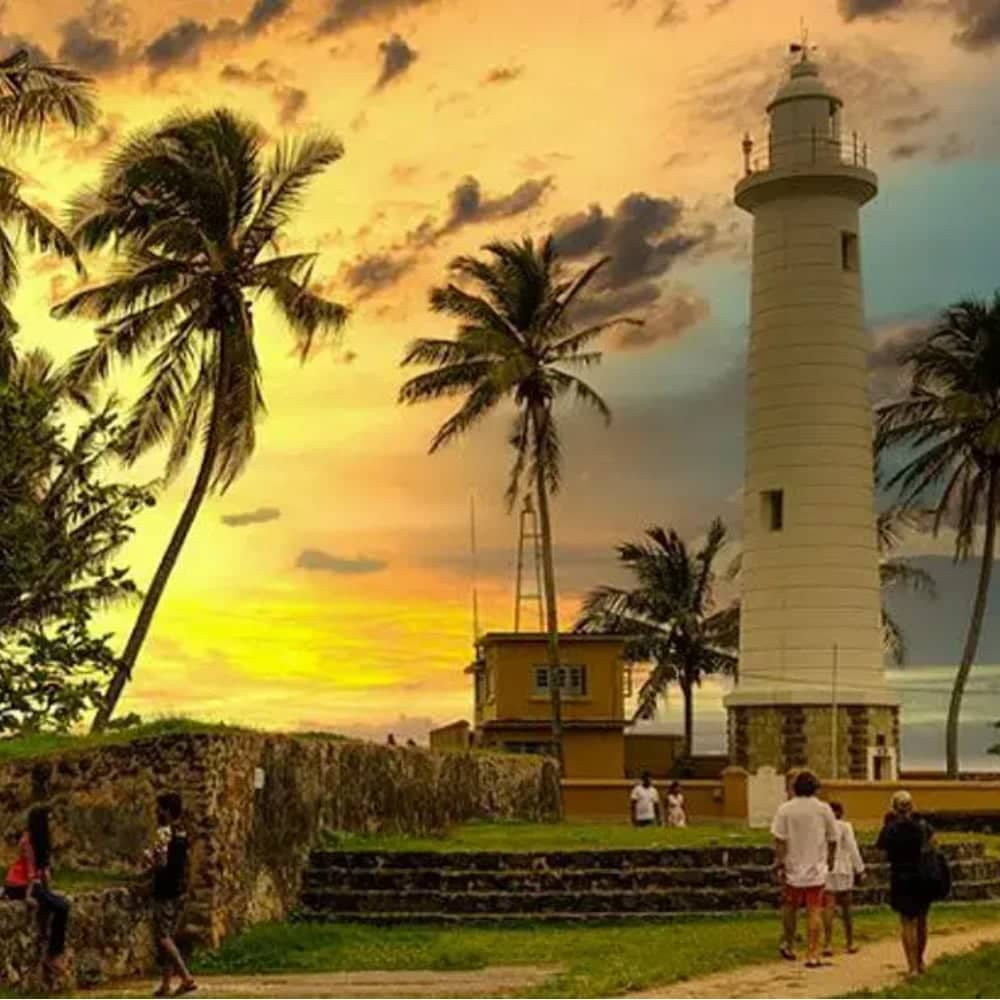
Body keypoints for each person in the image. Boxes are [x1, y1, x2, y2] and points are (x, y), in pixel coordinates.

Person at [771, 770, 838, 968]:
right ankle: (812, 953)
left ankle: (789, 944)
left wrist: (780, 861)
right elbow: (832, 838)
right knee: (814, 910)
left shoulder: (785, 809)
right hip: (816, 868)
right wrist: (831, 859)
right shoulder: (824, 809)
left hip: (792, 867)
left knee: (790, 908)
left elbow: (779, 839)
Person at [2, 806, 71, 980]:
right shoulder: (28, 840)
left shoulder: (42, 841)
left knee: (62, 904)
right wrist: (29, 896)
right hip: (20, 885)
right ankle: (53, 954)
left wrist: (50, 891)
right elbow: (31, 871)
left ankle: (55, 951)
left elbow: (44, 871)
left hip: (34, 885)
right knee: (61, 907)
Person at [877, 790, 933, 977]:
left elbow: (882, 850)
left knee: (907, 922)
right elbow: (933, 845)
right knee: (922, 920)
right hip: (922, 875)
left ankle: (912, 967)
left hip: (901, 875)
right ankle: (920, 961)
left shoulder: (890, 828)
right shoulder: (922, 826)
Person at [147, 793, 197, 997]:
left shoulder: (163, 834)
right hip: (178, 891)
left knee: (163, 937)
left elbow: (161, 864)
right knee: (169, 936)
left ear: (167, 810)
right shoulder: (183, 833)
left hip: (164, 890)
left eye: (160, 808)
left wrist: (150, 859)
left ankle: (186, 977)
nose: (157, 812)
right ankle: (166, 983)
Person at [823, 801, 865, 956]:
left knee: (829, 906)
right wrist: (860, 868)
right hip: (844, 869)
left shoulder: (822, 827)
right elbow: (852, 848)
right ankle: (850, 942)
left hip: (827, 868)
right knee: (846, 907)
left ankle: (827, 944)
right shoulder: (845, 827)